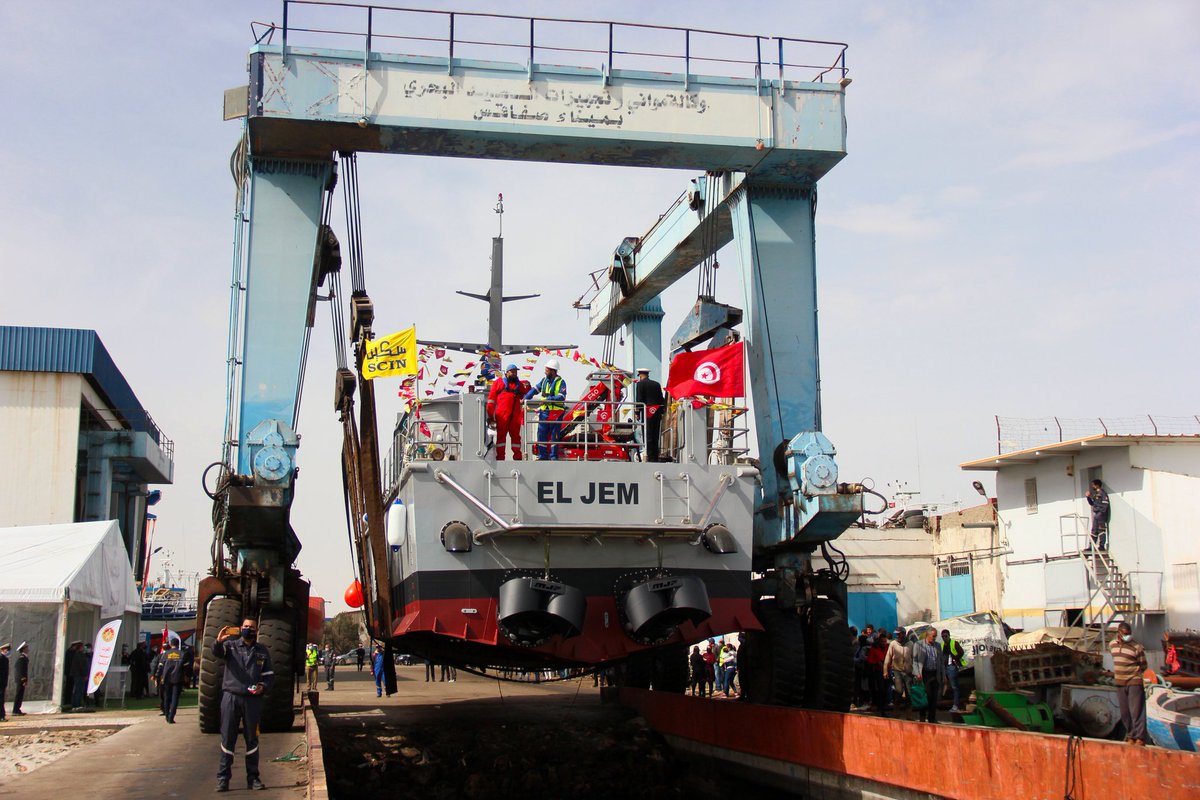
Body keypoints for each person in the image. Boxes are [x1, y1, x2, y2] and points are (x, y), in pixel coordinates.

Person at [213, 618, 273, 792]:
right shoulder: (230, 646)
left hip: (252, 700)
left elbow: (269, 675)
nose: (248, 629)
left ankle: (253, 778)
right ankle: (223, 779)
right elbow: (217, 652)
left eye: (252, 627)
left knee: (252, 739)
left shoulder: (262, 651)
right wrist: (218, 641)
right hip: (231, 697)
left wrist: (263, 686)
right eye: (245, 626)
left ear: (257, 630)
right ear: (241, 628)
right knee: (227, 739)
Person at [1110, 622, 1148, 745]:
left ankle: (1140, 737)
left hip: (1134, 681)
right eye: (1125, 634)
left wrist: (1136, 675)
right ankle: (1130, 735)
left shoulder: (1137, 647)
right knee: (1125, 712)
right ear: (1119, 633)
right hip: (1120, 682)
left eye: (1129, 633)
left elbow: (1143, 665)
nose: (1128, 636)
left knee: (1136, 710)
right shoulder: (1112, 645)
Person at [487, 364, 531, 460]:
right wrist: (490, 415)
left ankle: (518, 457)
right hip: (502, 415)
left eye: (516, 371)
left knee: (516, 437)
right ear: (507, 372)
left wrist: (528, 387)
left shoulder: (519, 385)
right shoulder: (498, 383)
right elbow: (491, 400)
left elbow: (527, 394)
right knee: (501, 437)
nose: (515, 373)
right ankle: (500, 458)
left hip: (515, 416)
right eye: (512, 371)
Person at [525, 360, 567, 460]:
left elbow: (561, 397)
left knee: (554, 435)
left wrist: (548, 400)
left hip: (556, 412)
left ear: (553, 371)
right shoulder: (544, 381)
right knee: (541, 433)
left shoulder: (561, 382)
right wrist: (525, 398)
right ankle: (542, 455)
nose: (545, 372)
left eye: (547, 370)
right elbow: (535, 390)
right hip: (544, 412)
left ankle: (553, 457)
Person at [633, 367, 666, 462]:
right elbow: (661, 399)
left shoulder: (640, 384)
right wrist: (662, 411)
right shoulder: (656, 384)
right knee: (656, 435)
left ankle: (650, 457)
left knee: (647, 434)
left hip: (647, 412)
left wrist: (637, 412)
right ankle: (655, 456)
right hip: (657, 412)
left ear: (640, 375)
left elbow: (639, 399)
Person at [913, 630, 945, 724]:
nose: (934, 638)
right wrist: (917, 673)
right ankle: (922, 717)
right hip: (924, 674)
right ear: (928, 635)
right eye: (933, 636)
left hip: (935, 674)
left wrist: (943, 675)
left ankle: (932, 718)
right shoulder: (918, 644)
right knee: (926, 696)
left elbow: (941, 662)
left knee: (934, 697)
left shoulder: (938, 645)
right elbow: (915, 660)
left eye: (935, 636)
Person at [159, 639, 186, 723]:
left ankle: (167, 715)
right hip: (178, 678)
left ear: (170, 644)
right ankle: (171, 716)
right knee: (175, 698)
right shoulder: (182, 654)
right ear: (178, 644)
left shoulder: (166, 654)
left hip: (166, 678)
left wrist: (159, 676)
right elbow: (186, 667)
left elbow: (160, 666)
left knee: (167, 697)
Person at [884, 628, 912, 708]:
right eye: (896, 634)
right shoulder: (893, 644)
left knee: (909, 693)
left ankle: (909, 714)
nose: (897, 635)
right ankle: (896, 711)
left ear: (904, 634)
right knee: (899, 691)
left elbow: (914, 658)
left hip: (908, 671)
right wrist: (885, 670)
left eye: (899, 634)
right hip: (897, 671)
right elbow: (888, 656)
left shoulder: (910, 644)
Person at [941, 629, 966, 713]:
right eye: (943, 637)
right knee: (947, 685)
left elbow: (961, 652)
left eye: (946, 636)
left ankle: (956, 706)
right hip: (945, 667)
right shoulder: (942, 645)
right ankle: (951, 703)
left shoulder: (954, 643)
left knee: (954, 686)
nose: (944, 638)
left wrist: (955, 658)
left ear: (949, 636)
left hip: (952, 667)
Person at [1085, 479, 1110, 551]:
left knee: (1101, 530)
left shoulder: (1102, 493)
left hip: (1101, 514)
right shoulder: (1095, 494)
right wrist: (1088, 497)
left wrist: (1101, 513)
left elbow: (1105, 504)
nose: (1092, 486)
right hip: (1096, 514)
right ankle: (1091, 547)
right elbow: (1092, 503)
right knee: (1094, 530)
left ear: (1097, 485)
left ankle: (1101, 546)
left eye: (1093, 485)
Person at [68, 641, 88, 710]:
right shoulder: (80, 655)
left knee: (78, 689)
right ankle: (76, 704)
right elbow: (82, 666)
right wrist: (85, 674)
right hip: (79, 675)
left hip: (77, 675)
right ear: (80, 648)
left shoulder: (77, 655)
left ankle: (76, 703)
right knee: (79, 690)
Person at [11, 643, 28, 716]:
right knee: (18, 694)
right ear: (23, 649)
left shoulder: (24, 657)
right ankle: (15, 710)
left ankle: (17, 709)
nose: (28, 649)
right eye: (26, 648)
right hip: (20, 679)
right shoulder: (21, 658)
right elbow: (21, 670)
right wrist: (23, 679)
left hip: (21, 679)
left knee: (20, 694)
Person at [0, 642, 9, 722]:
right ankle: (1, 716)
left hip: (3, 683)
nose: (7, 651)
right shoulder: (1, 658)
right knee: (1, 699)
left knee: (2, 699)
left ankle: (2, 715)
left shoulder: (5, 658)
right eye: (6, 649)